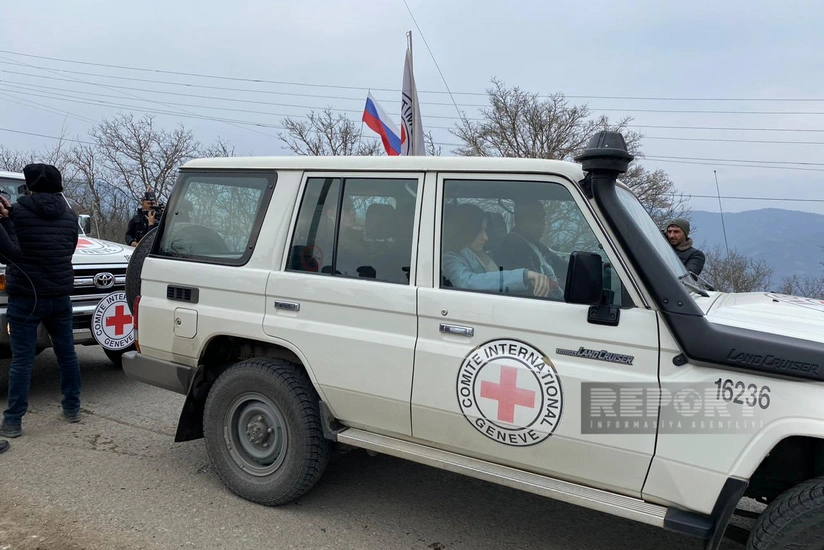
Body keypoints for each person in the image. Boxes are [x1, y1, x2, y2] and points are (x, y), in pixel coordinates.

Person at [0, 164, 81, 438]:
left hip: (26, 297)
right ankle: (72, 408)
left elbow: (9, 253)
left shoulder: (17, 213)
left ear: (29, 186)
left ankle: (13, 421)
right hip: (60, 295)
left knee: (22, 360)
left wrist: (5, 221)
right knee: (67, 353)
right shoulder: (70, 217)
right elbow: (69, 250)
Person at [442, 203, 553, 297]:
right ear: (465, 231)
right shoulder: (450, 259)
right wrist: (524, 275)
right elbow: (469, 282)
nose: (486, 237)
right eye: (479, 231)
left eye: (485, 231)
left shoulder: (485, 254)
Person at [493, 199, 567, 294]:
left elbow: (562, 267)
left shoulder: (536, 245)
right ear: (520, 221)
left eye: (543, 218)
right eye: (537, 218)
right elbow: (537, 286)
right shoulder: (512, 248)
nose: (543, 223)